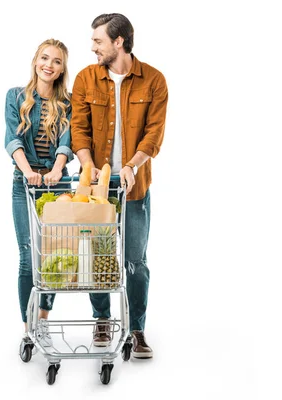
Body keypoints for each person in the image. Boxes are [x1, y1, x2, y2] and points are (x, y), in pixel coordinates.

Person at [70, 13, 168, 359]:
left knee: (134, 261)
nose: (92, 46)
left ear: (119, 42)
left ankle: (137, 329)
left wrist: (130, 166)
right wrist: (88, 165)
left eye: (98, 41)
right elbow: (78, 129)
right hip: (95, 186)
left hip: (135, 186)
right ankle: (102, 319)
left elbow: (154, 133)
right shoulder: (85, 78)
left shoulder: (153, 80)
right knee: (98, 258)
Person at [4, 39, 73, 351]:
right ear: (35, 61)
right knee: (28, 256)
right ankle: (27, 326)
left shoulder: (67, 103)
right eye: (45, 58)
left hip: (57, 184)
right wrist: (29, 170)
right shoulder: (16, 97)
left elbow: (67, 140)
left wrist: (57, 169)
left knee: (54, 258)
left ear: (61, 69)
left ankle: (43, 321)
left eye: (56, 61)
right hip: (25, 183)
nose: (49, 65)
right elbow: (13, 138)